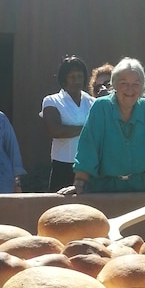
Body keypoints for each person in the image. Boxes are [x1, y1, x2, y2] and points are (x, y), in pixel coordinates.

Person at [59, 57, 145, 196]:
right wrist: (79, 184)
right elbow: (88, 148)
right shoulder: (100, 107)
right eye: (124, 83)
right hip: (103, 189)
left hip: (143, 188)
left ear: (142, 86)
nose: (130, 89)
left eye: (135, 84)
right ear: (114, 84)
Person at [40, 56, 94, 191]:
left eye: (80, 76)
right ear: (64, 78)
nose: (77, 81)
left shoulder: (92, 102)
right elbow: (55, 131)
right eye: (72, 77)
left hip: (87, 166)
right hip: (62, 166)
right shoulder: (52, 101)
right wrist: (87, 129)